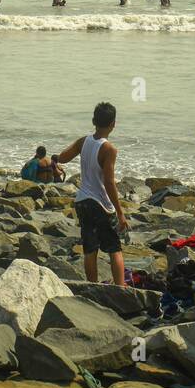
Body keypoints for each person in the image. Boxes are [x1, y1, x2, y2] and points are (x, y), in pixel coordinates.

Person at [55, 102, 126, 284]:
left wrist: (53, 160)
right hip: (100, 203)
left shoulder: (83, 141)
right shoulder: (109, 149)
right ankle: (121, 287)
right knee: (114, 248)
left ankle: (93, 286)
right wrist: (120, 212)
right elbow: (109, 182)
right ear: (113, 124)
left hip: (82, 201)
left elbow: (63, 157)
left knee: (90, 249)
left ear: (94, 120)